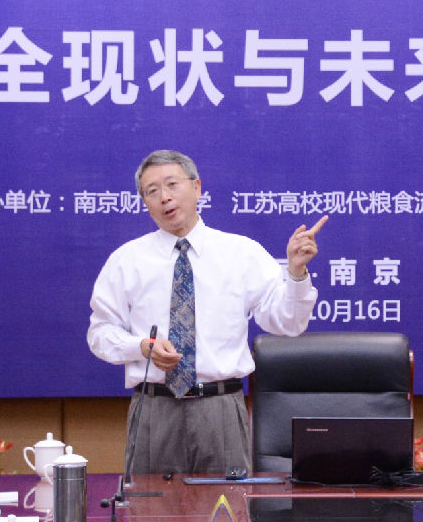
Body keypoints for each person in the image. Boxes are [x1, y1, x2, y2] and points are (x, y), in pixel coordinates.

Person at [87, 149, 327, 475]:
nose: (164, 198)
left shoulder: (240, 253)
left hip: (220, 409)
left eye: (172, 184)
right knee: (149, 502)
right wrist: (141, 347)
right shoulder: (126, 260)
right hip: (154, 409)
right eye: (152, 191)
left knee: (227, 501)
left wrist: (296, 275)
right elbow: (100, 333)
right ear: (144, 202)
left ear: (197, 187)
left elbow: (289, 323)